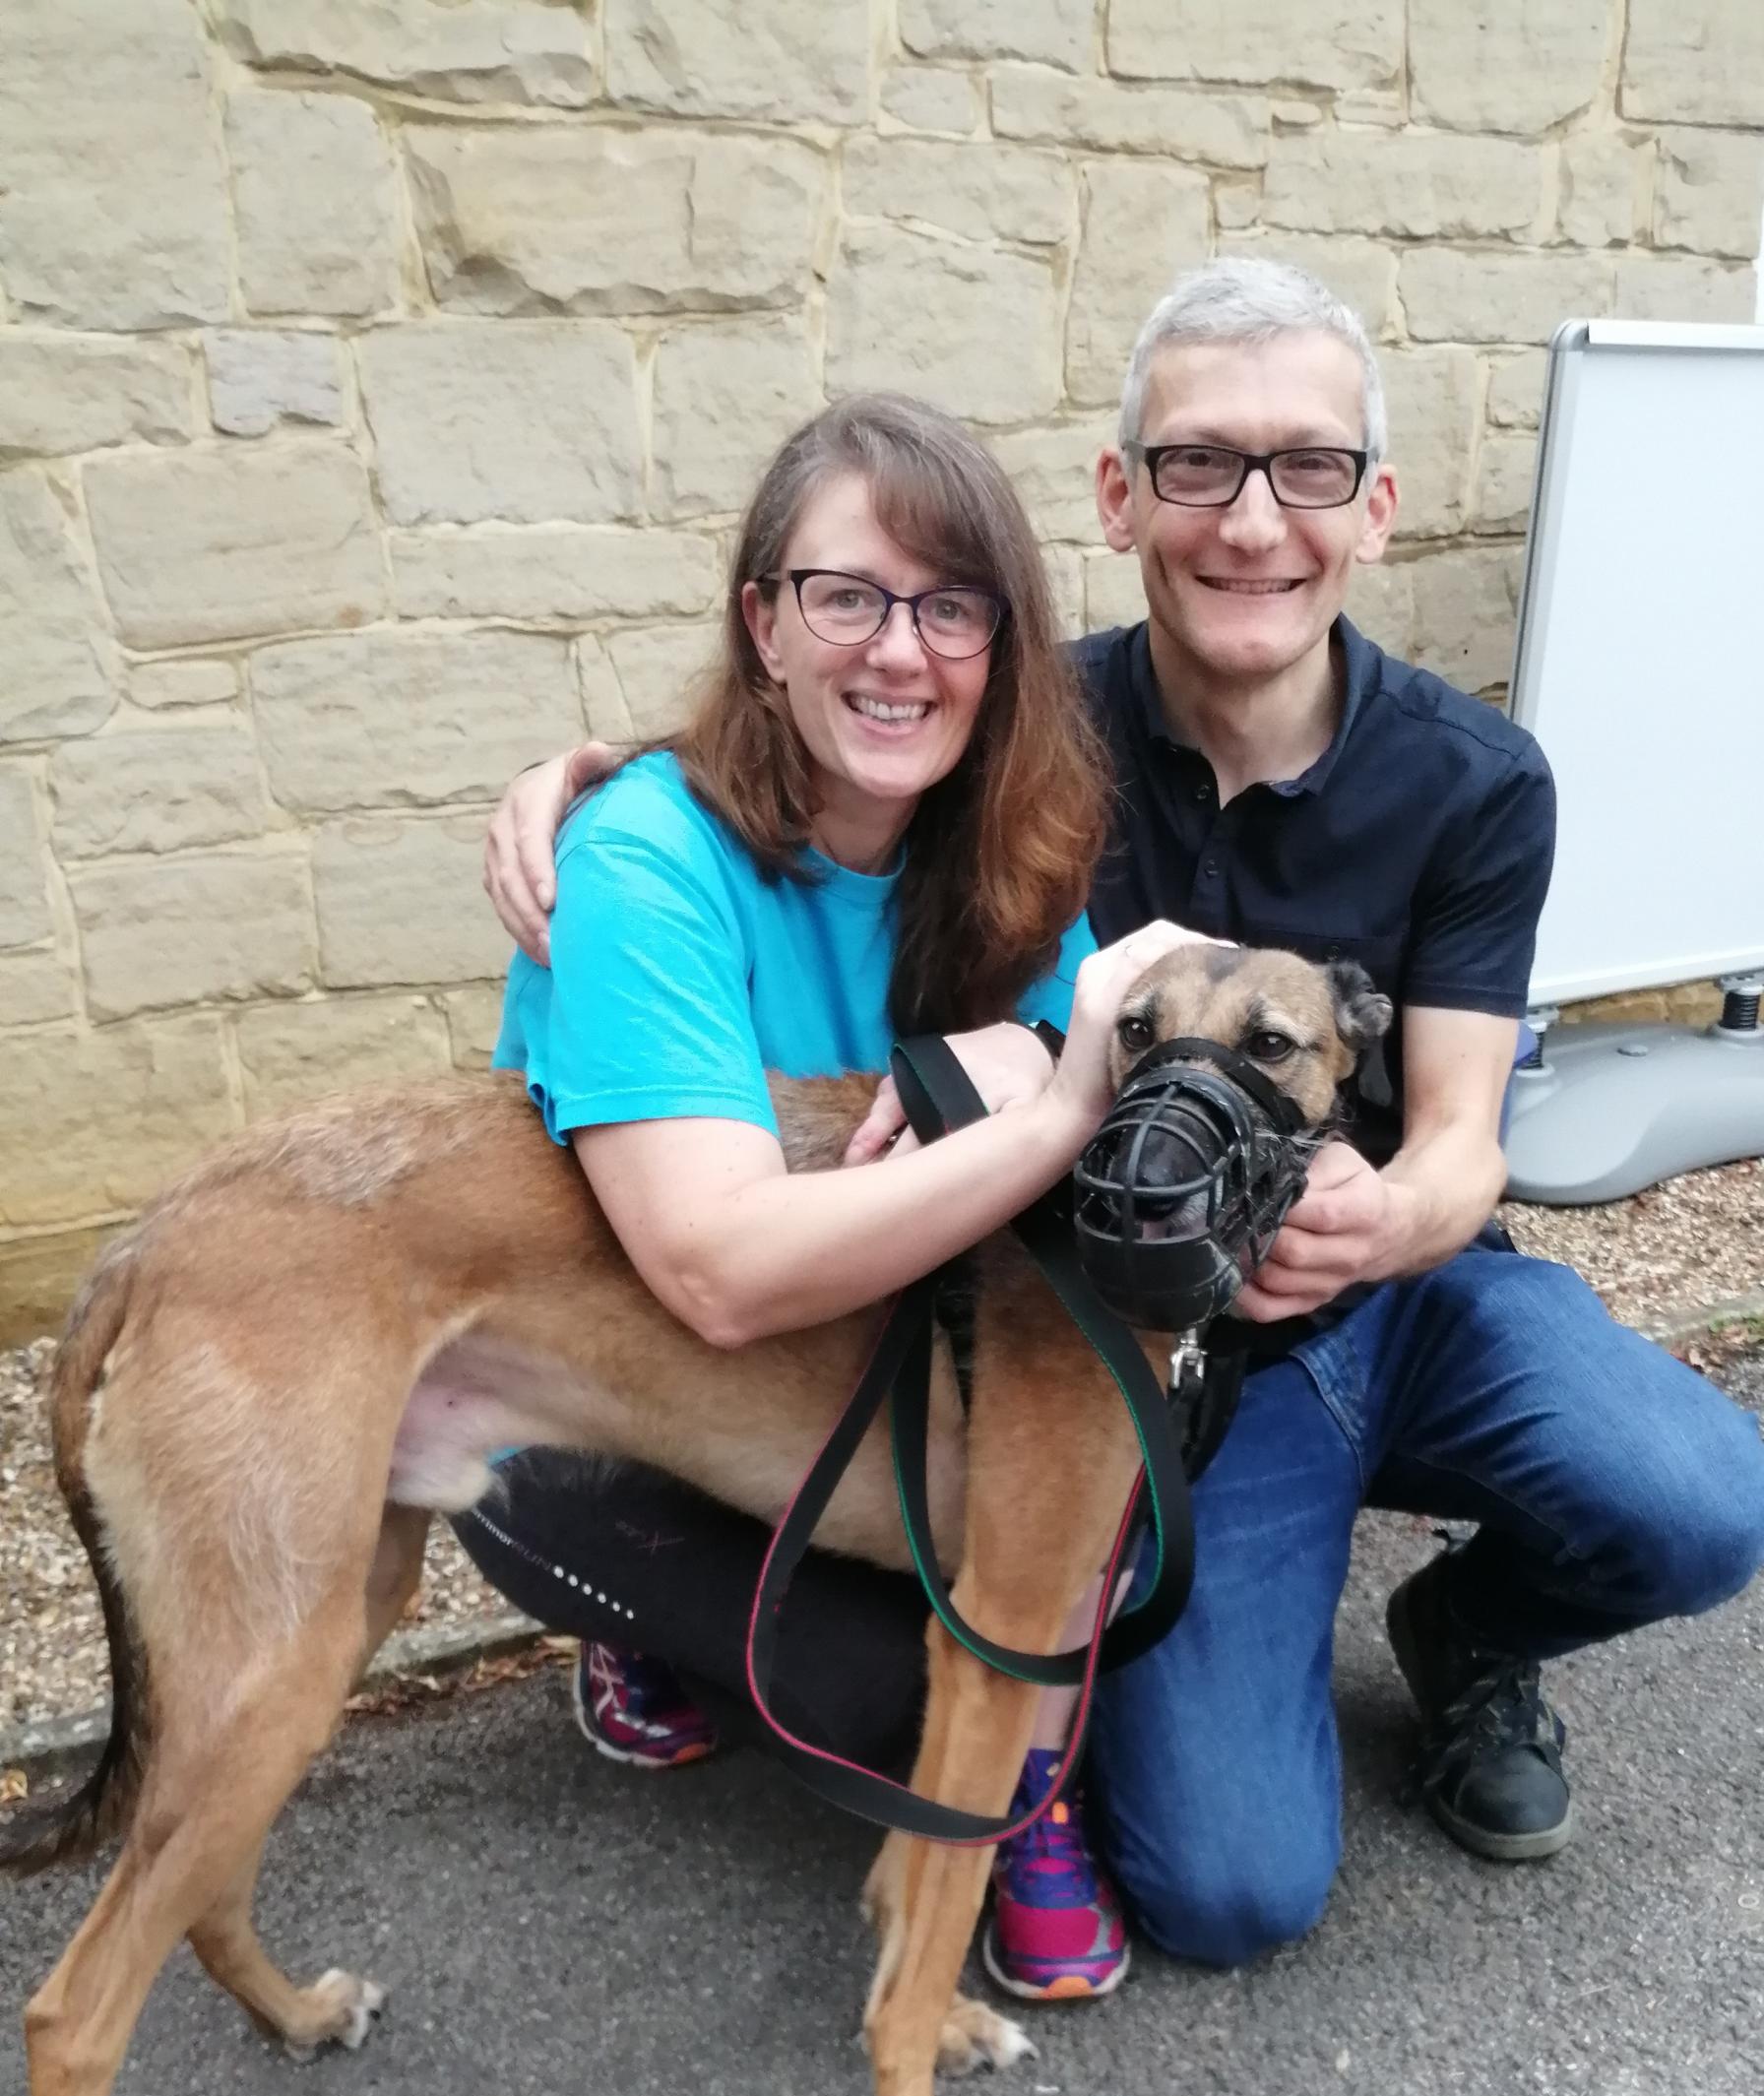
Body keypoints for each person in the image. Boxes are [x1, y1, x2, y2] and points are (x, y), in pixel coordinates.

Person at [483, 261, 1764, 1973]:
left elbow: (1465, 1130)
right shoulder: (1030, 732)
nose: (1252, 522)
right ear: (1121, 497)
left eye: (1309, 468)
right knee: (1229, 1889)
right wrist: (597, 776)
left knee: (1702, 1496)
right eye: (1197, 466)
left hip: (1395, 1290)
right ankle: (712, 1615)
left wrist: (1389, 1217)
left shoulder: (1476, 781)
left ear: (1374, 510)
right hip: (1159, 1337)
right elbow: (841, 728)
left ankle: (1467, 1635)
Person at [458, 390, 1202, 2004]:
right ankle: (645, 1624)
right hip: (618, 1400)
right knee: (890, 1688)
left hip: (845, 1376)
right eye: (844, 597)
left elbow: (1064, 1113)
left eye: (950, 606)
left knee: (1084, 1562)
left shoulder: (1013, 843)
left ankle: (1015, 1787)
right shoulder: (643, 856)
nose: (898, 649)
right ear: (764, 625)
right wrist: (1057, 1099)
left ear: (1000, 645)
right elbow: (716, 1271)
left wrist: (1028, 1048)